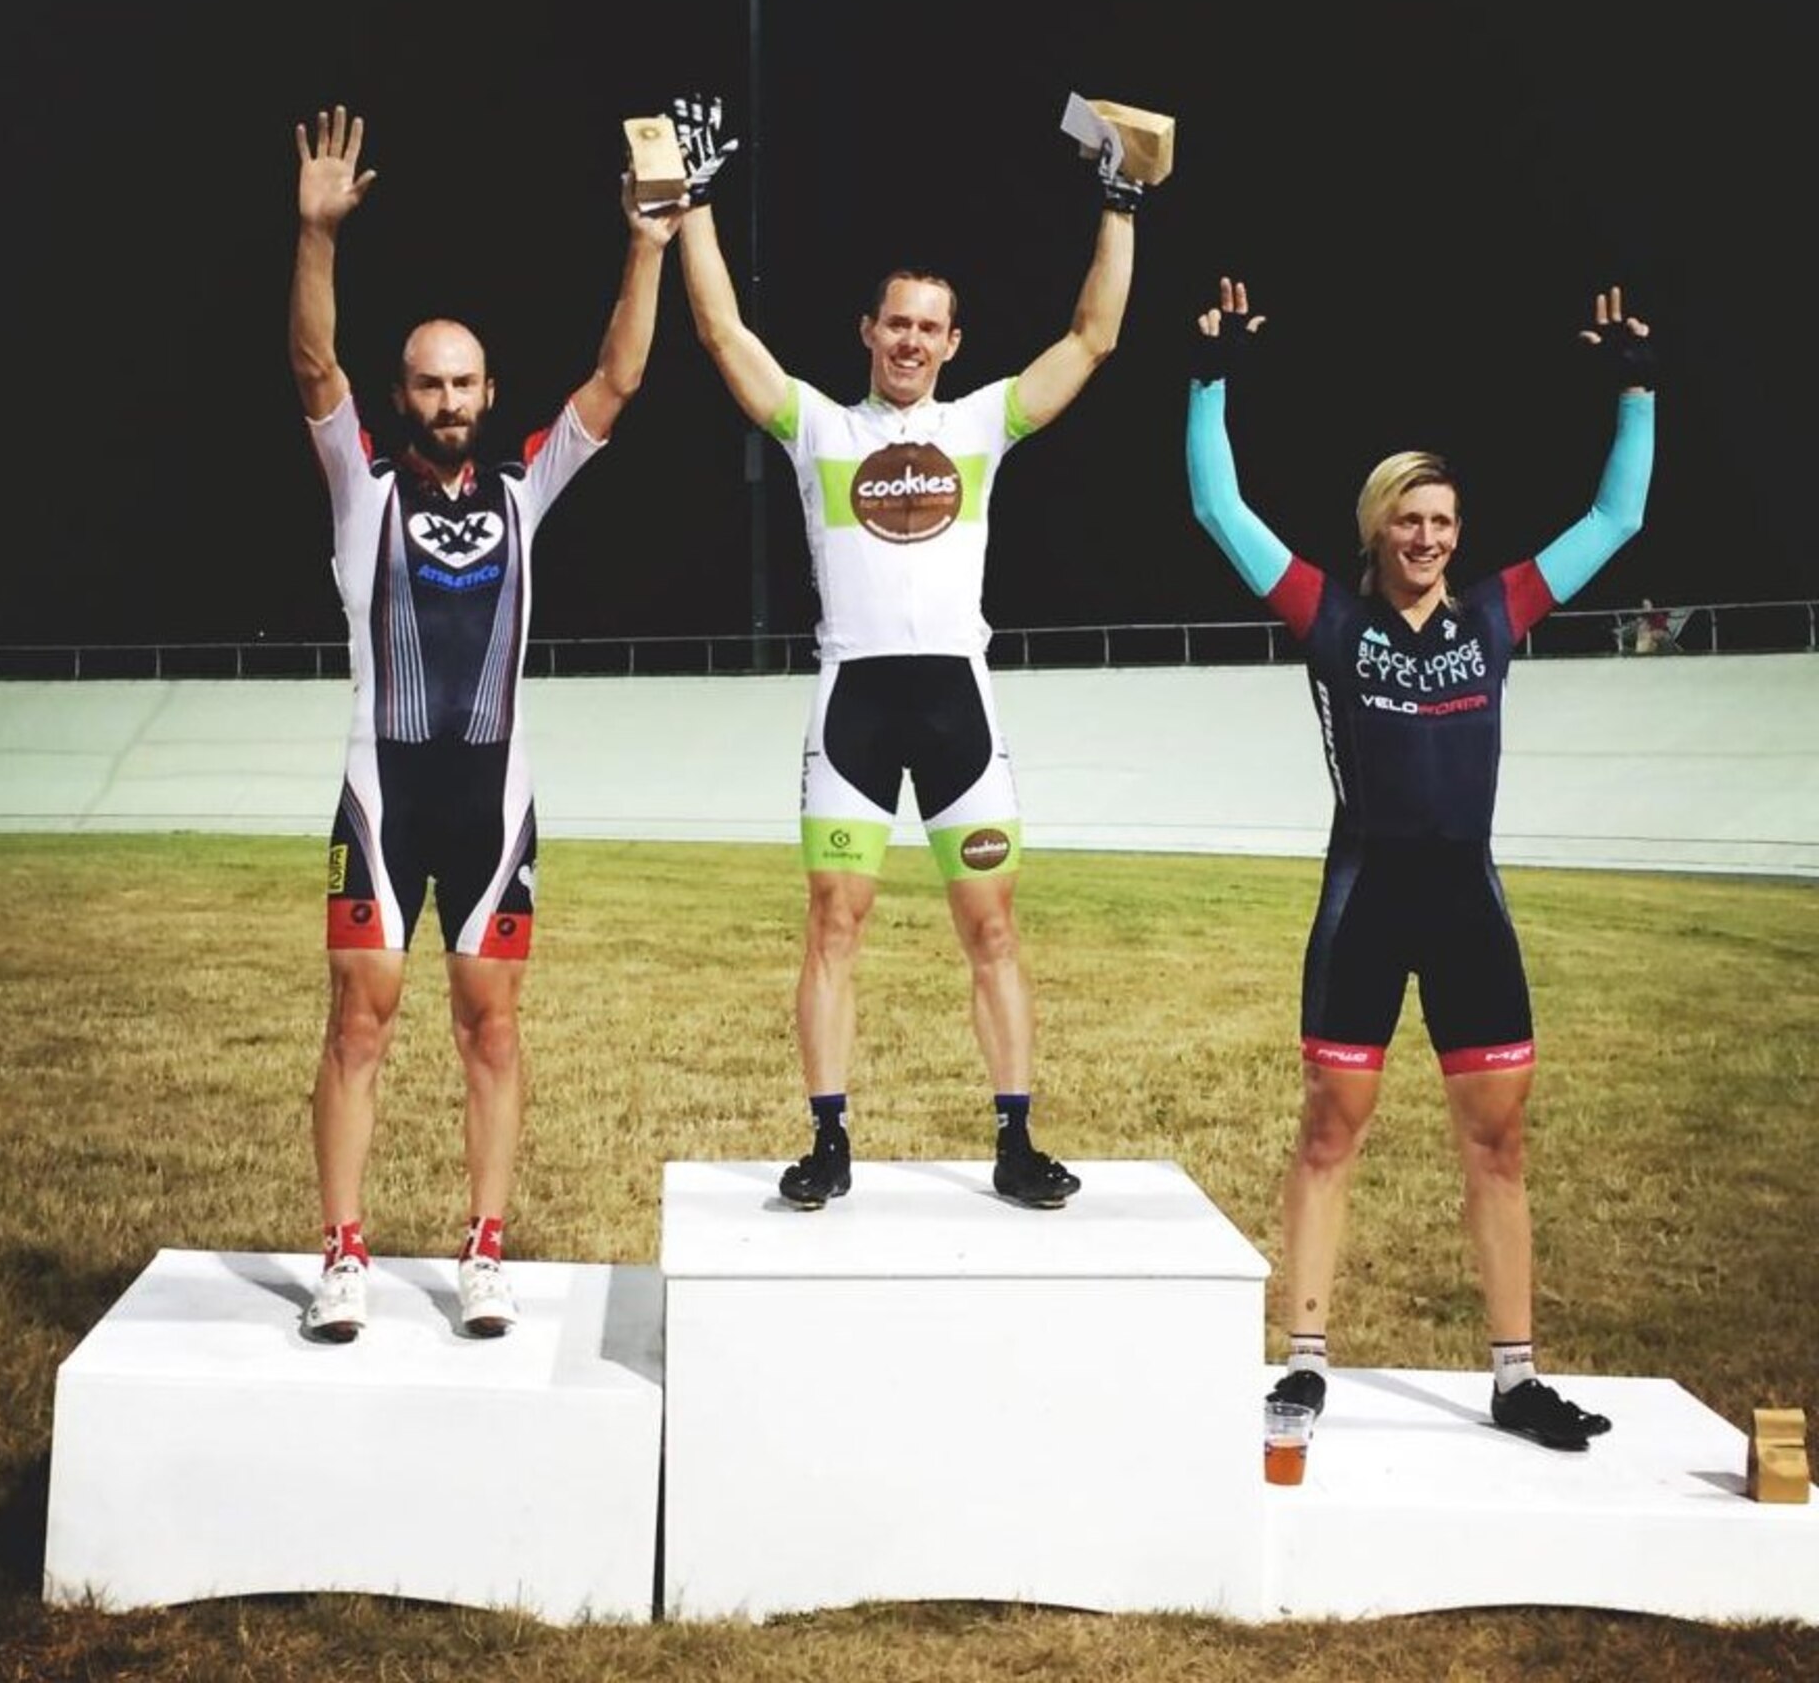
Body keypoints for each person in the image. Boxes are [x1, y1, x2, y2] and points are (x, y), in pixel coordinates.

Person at [1185, 278, 1654, 1451]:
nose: (1427, 535)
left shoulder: (1494, 616)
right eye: (1407, 517)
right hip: (1363, 905)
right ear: (1375, 525)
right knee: (1328, 1132)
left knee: (1497, 1143)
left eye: (1441, 518)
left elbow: (1615, 520)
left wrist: (1632, 387)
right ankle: (1301, 1360)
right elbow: (1214, 502)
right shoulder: (1325, 623)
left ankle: (1512, 1377)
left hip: (1466, 910)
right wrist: (1208, 377)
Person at [673, 99, 1142, 1210]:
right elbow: (721, 337)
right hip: (852, 708)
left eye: (929, 327)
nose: (910, 341)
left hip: (956, 709)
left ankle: (1015, 1140)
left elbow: (1092, 339)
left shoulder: (979, 423)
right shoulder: (818, 432)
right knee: (835, 923)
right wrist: (690, 204)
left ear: (952, 342)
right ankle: (828, 1140)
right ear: (867, 330)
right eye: (895, 324)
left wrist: (1119, 202)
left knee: (991, 927)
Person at [289, 104, 677, 1341]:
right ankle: (343, 1253)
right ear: (400, 393)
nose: (447, 399)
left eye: (464, 382)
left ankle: (483, 1249)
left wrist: (649, 241)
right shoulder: (360, 479)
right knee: (361, 1019)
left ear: (488, 390)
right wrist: (316, 238)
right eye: (427, 382)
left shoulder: (528, 481)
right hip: (382, 795)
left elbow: (619, 376)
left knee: (489, 1023)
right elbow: (311, 367)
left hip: (494, 801)